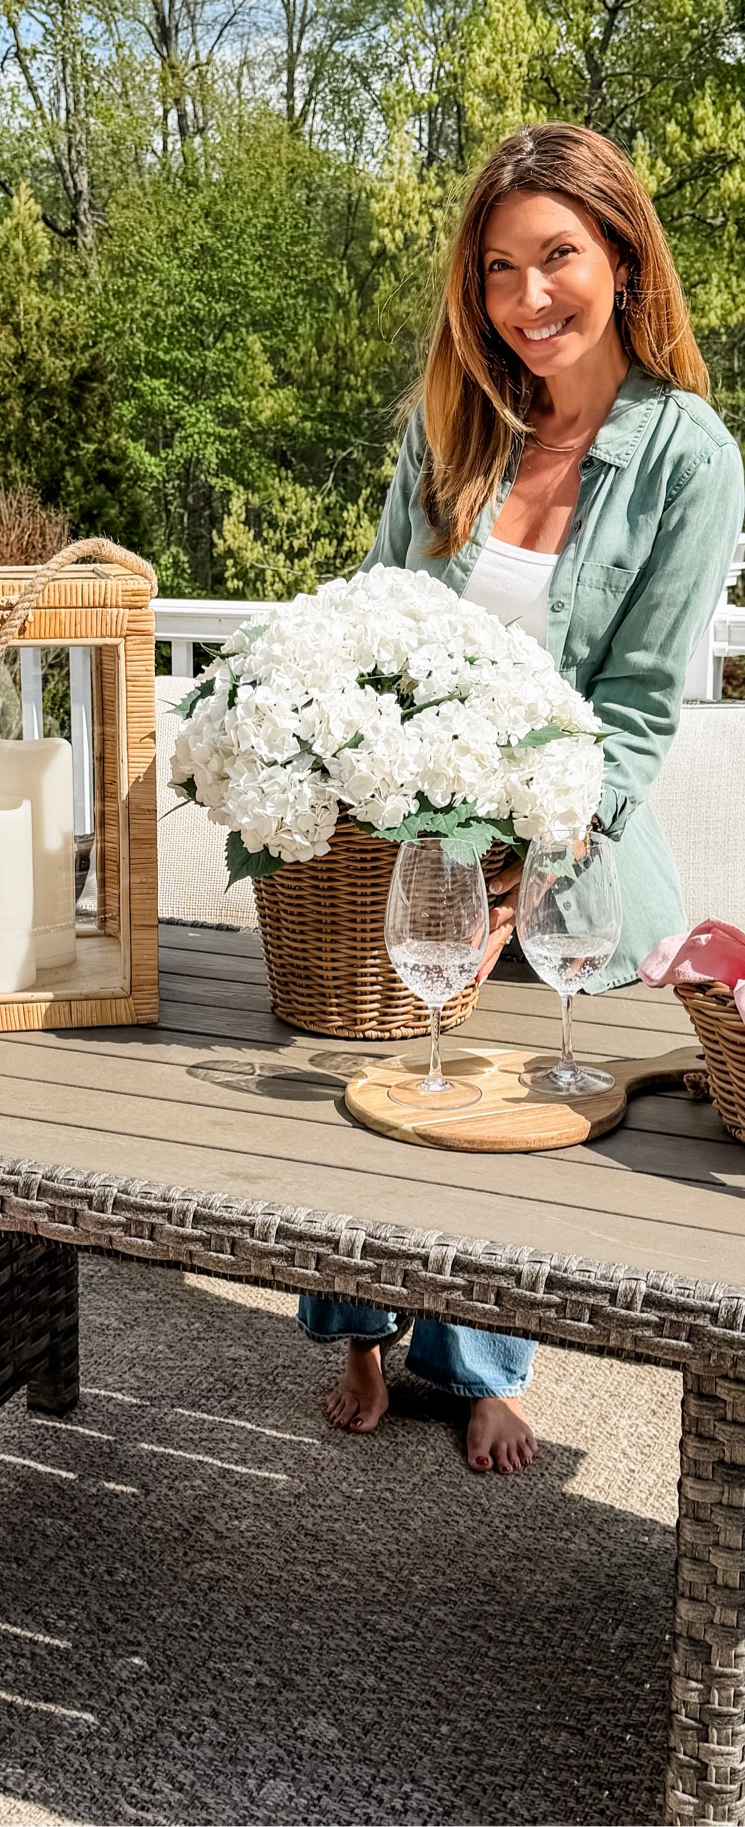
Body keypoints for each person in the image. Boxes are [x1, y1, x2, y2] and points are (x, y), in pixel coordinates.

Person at [301, 121, 744, 1474]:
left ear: (621, 254)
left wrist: (517, 870)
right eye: (500, 268)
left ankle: (480, 1365)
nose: (530, 296)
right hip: (421, 845)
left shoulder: (689, 456)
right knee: (379, 1101)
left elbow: (635, 710)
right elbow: (371, 625)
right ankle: (369, 1340)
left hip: (570, 870)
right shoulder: (456, 425)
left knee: (504, 1126)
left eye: (559, 257)